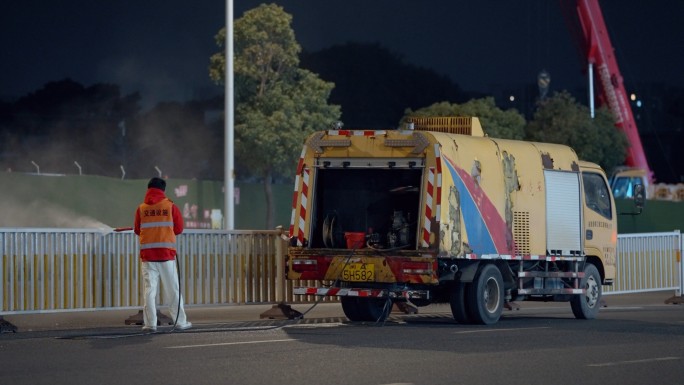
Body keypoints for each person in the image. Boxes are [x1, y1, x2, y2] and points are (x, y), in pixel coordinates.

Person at [134, 177, 191, 332]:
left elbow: (137, 230)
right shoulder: (170, 206)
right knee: (173, 289)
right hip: (166, 255)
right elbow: (179, 229)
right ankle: (180, 322)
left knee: (149, 290)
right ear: (163, 190)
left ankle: (150, 324)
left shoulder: (141, 208)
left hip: (147, 256)